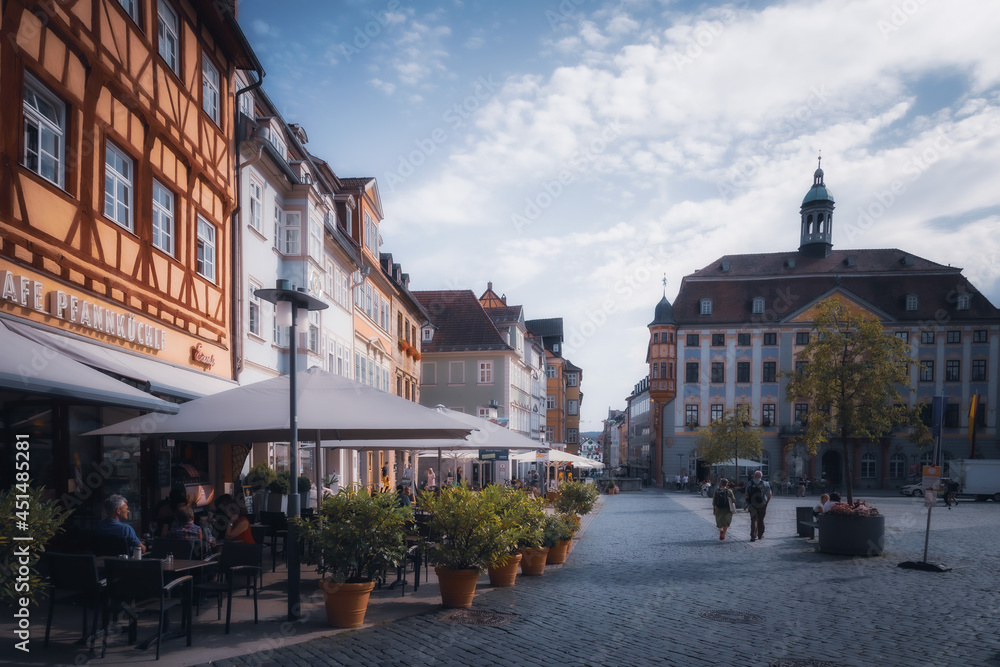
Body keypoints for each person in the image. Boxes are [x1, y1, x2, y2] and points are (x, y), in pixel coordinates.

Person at [745, 470, 772, 542]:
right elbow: (769, 494)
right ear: (761, 476)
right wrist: (766, 503)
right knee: (761, 520)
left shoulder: (749, 483)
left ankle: (753, 536)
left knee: (753, 520)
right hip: (762, 504)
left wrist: (748, 502)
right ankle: (760, 535)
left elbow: (746, 494)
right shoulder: (765, 483)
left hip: (752, 504)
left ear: (754, 476)